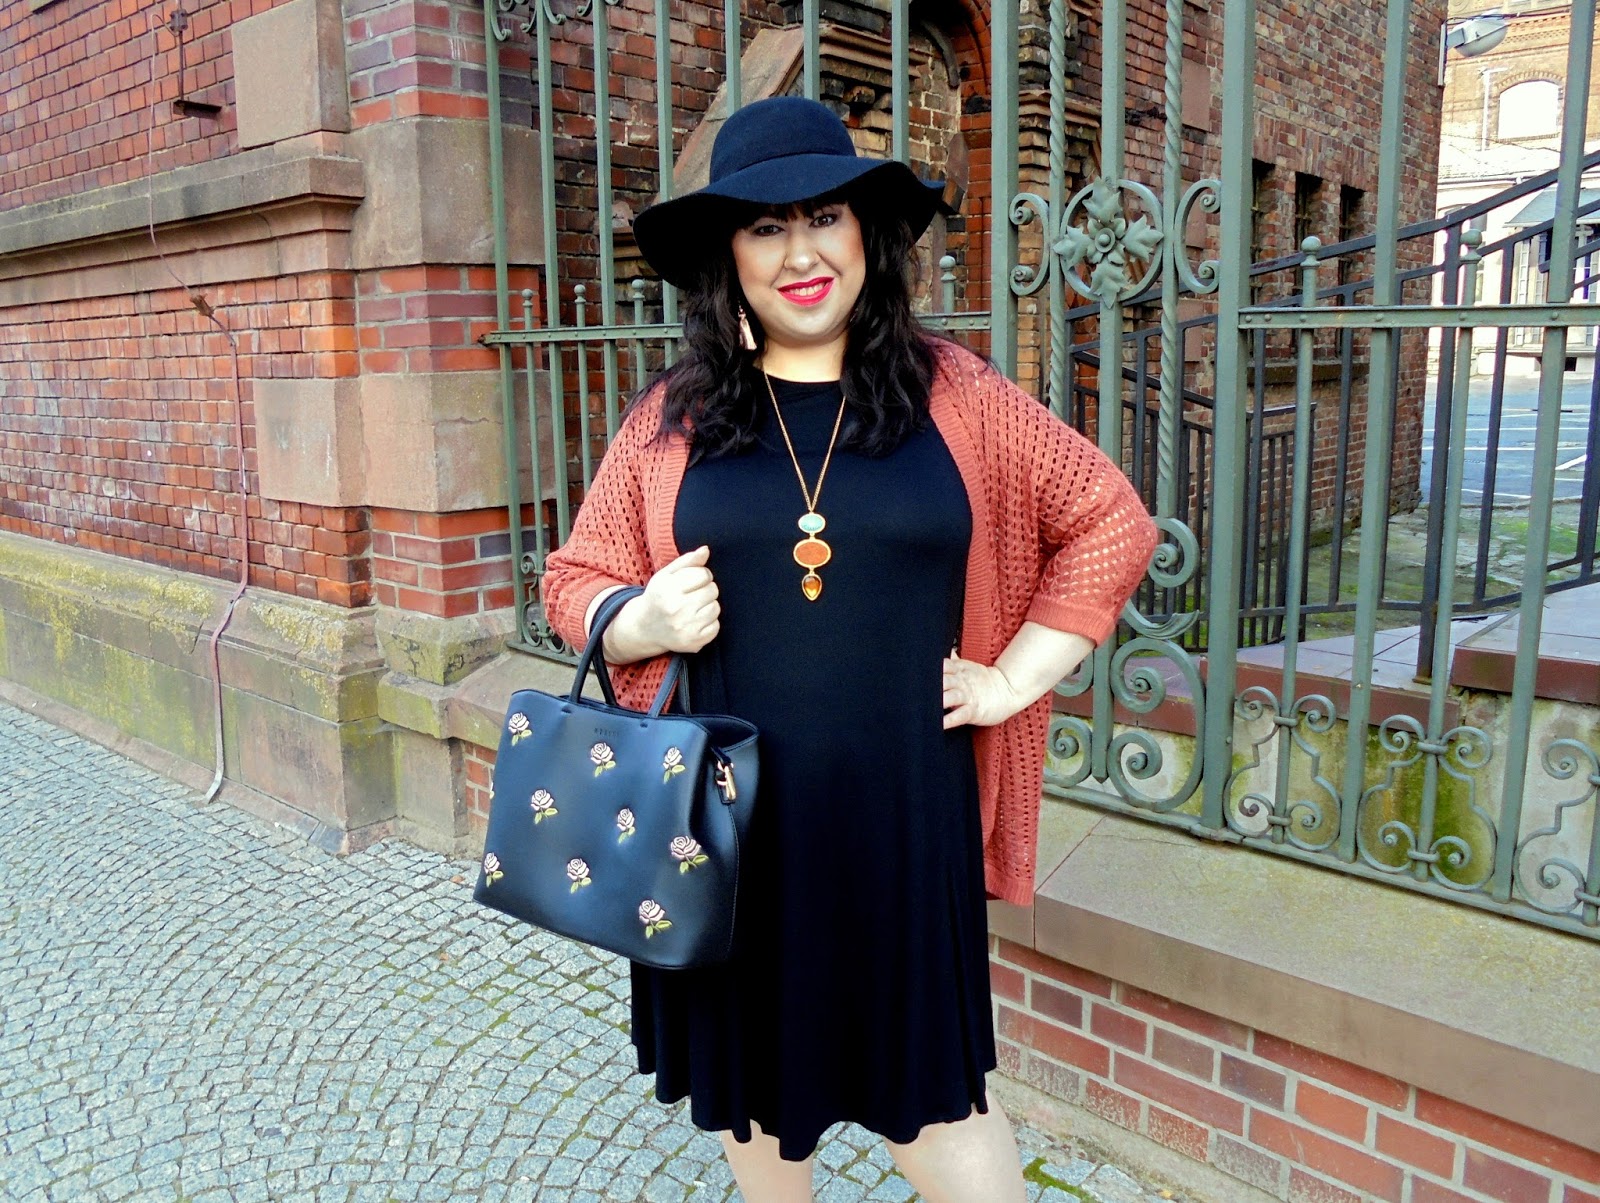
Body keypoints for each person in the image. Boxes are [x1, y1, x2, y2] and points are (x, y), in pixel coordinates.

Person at [542, 95, 1158, 1203]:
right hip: (726, 828)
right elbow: (572, 581)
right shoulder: (673, 419)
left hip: (903, 824)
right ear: (729, 257)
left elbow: (1110, 521)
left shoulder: (956, 395)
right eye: (765, 226)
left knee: (939, 1106)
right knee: (759, 1095)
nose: (801, 253)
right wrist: (640, 621)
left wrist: (1013, 678)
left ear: (867, 234)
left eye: (823, 217)